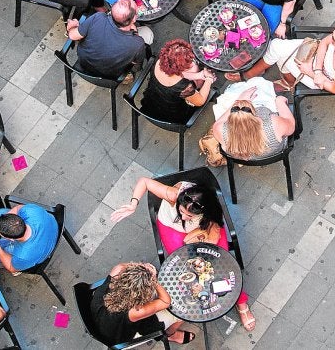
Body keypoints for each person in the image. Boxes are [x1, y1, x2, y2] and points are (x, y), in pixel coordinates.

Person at [111, 178, 255, 331]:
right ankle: (194, 290)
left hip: (201, 229)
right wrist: (133, 204)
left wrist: (209, 247)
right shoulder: (173, 195)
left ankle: (241, 301)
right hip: (172, 228)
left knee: (221, 263)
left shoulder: (210, 210)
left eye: (189, 215)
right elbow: (145, 182)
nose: (184, 217)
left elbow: (214, 228)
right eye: (182, 211)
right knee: (185, 265)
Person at [226, 22, 335, 93]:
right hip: (315, 56)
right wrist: (317, 68)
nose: (331, 39)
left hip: (320, 78)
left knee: (278, 50)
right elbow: (324, 43)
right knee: (277, 48)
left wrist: (311, 72)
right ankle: (287, 82)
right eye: (333, 35)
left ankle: (252, 75)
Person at [91, 262, 194, 345]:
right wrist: (154, 280)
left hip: (99, 314)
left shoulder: (117, 271)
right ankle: (170, 334)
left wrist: (142, 269)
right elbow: (165, 301)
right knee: (180, 315)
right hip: (118, 334)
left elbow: (122, 266)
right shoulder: (135, 311)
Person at [66, 0, 153, 78]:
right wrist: (135, 33)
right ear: (134, 19)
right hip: (109, 75)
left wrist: (72, 26)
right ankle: (130, 75)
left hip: (84, 62)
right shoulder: (137, 43)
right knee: (148, 33)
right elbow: (135, 62)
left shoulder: (98, 17)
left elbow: (72, 35)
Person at [0, 203, 59, 274]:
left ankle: (7, 251)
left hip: (31, 255)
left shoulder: (23, 256)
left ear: (9, 239)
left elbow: (11, 268)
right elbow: (18, 208)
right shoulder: (30, 211)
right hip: (50, 226)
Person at [140, 39, 216, 123]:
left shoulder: (160, 61)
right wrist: (209, 79)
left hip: (151, 102)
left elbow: (176, 76)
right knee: (198, 77)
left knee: (196, 71)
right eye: (189, 63)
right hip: (170, 115)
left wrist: (199, 75)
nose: (192, 62)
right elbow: (200, 101)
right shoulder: (184, 87)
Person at [209, 86, 295, 158]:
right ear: (254, 113)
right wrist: (280, 101)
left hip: (243, 157)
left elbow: (219, 121)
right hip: (274, 152)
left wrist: (238, 100)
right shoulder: (274, 125)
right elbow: (291, 126)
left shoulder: (219, 129)